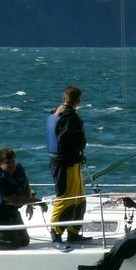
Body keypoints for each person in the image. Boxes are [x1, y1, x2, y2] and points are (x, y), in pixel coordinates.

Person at [46, 85, 88, 247]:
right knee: (65, 198)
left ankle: (73, 232)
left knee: (79, 198)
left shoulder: (56, 112)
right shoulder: (69, 117)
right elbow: (64, 140)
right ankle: (56, 233)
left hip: (69, 162)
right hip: (65, 164)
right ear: (78, 100)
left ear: (65, 98)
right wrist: (75, 154)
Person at [0, 147, 40, 250]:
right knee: (12, 243)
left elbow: (26, 183)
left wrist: (30, 204)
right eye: (8, 162)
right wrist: (36, 201)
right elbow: (15, 201)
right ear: (0, 163)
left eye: (13, 161)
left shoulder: (18, 168)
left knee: (24, 241)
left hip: (11, 211)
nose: (12, 165)